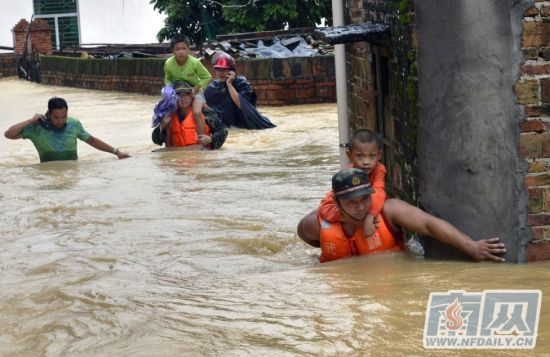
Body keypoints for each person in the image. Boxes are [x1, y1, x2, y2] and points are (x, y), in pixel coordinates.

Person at [298, 168, 507, 263]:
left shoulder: (389, 210)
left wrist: (472, 247)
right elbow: (303, 234)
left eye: (364, 199)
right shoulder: (316, 223)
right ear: (336, 203)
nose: (360, 207)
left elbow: (429, 224)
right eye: (351, 202)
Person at [4, 97, 130, 162]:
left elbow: (92, 140)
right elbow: (9, 134)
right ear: (48, 114)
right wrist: (31, 121)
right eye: (56, 117)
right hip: (47, 173)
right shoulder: (37, 127)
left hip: (71, 170)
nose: (60, 120)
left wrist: (117, 152)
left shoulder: (73, 124)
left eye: (64, 116)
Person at [319, 129, 386, 239]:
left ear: (379, 155)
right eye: (359, 156)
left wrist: (369, 217)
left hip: (368, 210)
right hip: (349, 214)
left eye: (372, 156)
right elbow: (325, 206)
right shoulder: (348, 174)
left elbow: (379, 191)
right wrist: (351, 220)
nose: (366, 162)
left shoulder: (379, 169)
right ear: (349, 155)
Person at [204, 51, 276, 129]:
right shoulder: (212, 87)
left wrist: (229, 84)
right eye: (218, 70)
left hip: (246, 124)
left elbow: (242, 104)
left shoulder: (241, 83)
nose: (221, 73)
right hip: (228, 127)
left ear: (231, 71)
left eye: (224, 70)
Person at [152, 81, 227, 150]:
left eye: (186, 95)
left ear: (191, 97)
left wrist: (211, 139)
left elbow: (223, 132)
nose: (183, 99)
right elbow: (157, 141)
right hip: (177, 159)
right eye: (179, 95)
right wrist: (162, 125)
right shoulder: (168, 115)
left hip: (199, 158)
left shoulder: (204, 112)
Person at [164, 34, 212, 137]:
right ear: (172, 51)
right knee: (166, 113)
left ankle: (202, 140)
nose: (181, 52)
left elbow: (207, 77)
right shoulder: (168, 63)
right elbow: (167, 78)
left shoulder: (195, 63)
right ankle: (168, 142)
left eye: (184, 48)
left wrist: (195, 89)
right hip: (177, 91)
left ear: (188, 49)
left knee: (197, 112)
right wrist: (168, 90)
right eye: (177, 49)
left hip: (195, 90)